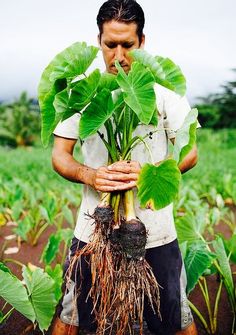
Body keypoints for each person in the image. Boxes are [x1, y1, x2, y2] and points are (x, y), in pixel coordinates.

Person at [51, 0, 198, 334]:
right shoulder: (85, 93)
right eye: (110, 44)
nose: (118, 55)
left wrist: (150, 172)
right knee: (72, 315)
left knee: (174, 318)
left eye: (127, 45)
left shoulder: (163, 94)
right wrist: (92, 175)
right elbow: (60, 156)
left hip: (155, 229)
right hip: (94, 228)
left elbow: (190, 152)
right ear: (99, 40)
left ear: (142, 42)